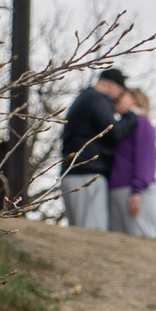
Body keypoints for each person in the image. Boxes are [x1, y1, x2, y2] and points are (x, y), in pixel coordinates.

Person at [58, 68, 133, 229]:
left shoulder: (86, 97)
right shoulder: (96, 99)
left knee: (82, 230)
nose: (118, 97)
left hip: (77, 172)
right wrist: (130, 115)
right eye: (120, 91)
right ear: (112, 85)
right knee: (92, 230)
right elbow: (113, 132)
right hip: (86, 174)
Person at [107, 86, 156, 238]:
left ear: (135, 99)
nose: (116, 98)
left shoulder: (142, 123)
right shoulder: (124, 126)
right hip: (118, 190)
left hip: (135, 191)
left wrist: (136, 191)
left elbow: (146, 159)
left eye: (122, 95)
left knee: (141, 241)